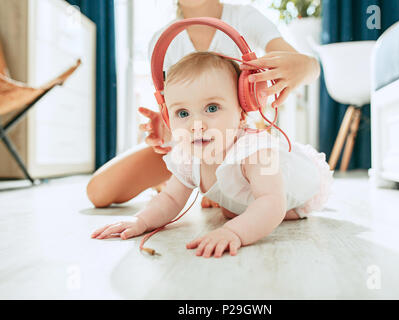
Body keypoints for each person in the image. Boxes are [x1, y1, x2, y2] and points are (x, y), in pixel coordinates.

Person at [91, 52, 332, 258]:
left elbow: (272, 202)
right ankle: (241, 207)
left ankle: (279, 210)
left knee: (268, 207)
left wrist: (234, 231)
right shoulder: (187, 154)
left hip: (298, 186)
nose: (197, 124)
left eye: (212, 108)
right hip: (252, 191)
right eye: (183, 113)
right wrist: (140, 221)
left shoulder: (256, 151)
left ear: (241, 112)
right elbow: (171, 200)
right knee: (233, 209)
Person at [86, 0, 321, 210]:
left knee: (236, 193)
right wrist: (167, 123)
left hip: (239, 146)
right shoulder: (162, 40)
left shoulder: (245, 18)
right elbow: (172, 112)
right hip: (189, 146)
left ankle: (205, 184)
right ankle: (187, 181)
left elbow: (306, 66)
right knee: (98, 191)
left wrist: (307, 66)